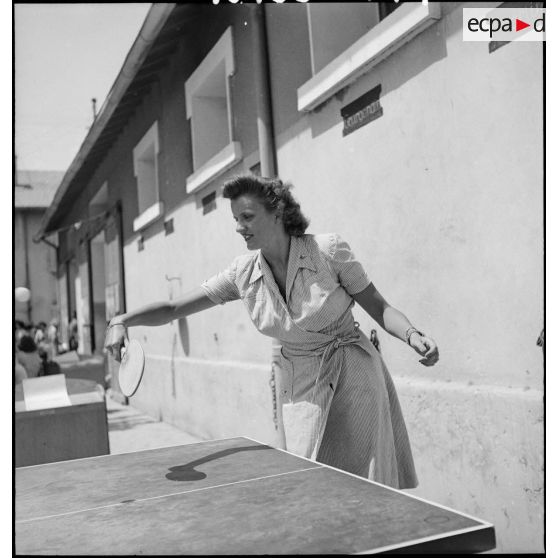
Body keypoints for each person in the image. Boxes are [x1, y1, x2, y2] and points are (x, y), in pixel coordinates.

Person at [104, 174, 439, 489]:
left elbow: (380, 308)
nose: (238, 227)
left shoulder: (328, 251)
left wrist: (412, 335)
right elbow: (174, 308)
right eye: (235, 218)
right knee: (308, 480)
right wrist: (122, 320)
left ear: (277, 212)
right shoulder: (243, 273)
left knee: (360, 487)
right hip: (299, 385)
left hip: (355, 377)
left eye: (246, 216)